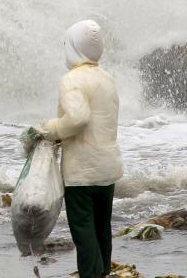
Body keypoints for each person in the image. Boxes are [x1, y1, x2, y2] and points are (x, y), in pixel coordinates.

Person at [26, 20, 123, 278]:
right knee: (102, 227)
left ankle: (91, 275)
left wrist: (50, 129)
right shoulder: (107, 78)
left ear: (73, 47)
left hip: (81, 171)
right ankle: (102, 272)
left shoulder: (72, 79)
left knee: (83, 229)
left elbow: (78, 118)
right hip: (108, 167)